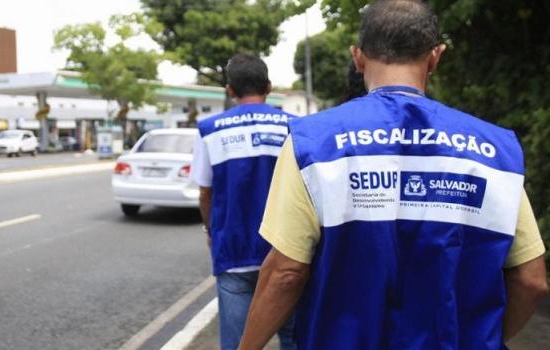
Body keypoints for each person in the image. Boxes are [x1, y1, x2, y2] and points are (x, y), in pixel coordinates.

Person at [239, 1, 548, 349]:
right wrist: (483, 339)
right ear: (435, 57)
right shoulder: (494, 150)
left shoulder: (313, 143)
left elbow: (285, 273)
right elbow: (532, 279)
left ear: (358, 57)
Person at [190, 53, 297, 350]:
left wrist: (211, 232)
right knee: (294, 339)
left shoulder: (210, 130)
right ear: (269, 86)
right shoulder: (297, 127)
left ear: (230, 90)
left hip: (234, 251)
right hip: (287, 253)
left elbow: (205, 193)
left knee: (239, 344)